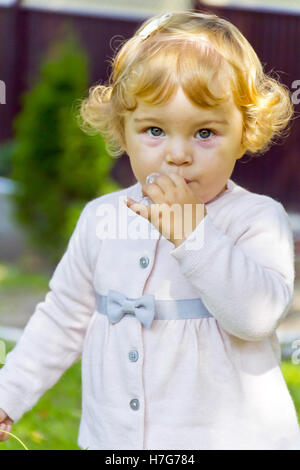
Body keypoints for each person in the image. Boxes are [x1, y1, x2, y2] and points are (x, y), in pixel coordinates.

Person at [0, 10, 299, 450]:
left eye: (205, 132)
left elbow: (255, 318)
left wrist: (196, 234)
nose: (178, 155)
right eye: (155, 130)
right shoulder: (102, 219)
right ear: (123, 130)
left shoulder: (256, 219)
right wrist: (9, 395)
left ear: (244, 132)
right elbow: (62, 319)